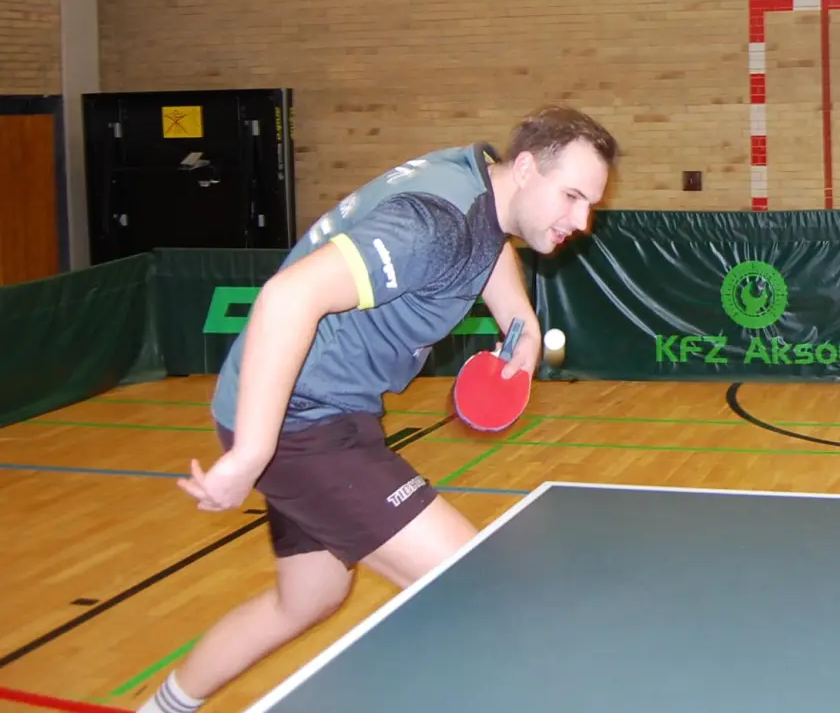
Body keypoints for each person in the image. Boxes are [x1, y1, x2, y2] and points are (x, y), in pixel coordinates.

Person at [139, 105, 618, 713]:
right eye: (572, 196)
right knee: (476, 587)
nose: (582, 220)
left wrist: (519, 325)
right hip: (299, 420)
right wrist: (253, 452)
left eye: (591, 203)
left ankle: (160, 708)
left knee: (308, 598)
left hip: (319, 410)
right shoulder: (432, 224)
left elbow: (490, 240)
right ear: (525, 168)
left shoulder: (478, 182)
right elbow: (287, 298)